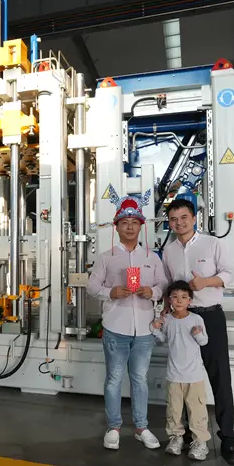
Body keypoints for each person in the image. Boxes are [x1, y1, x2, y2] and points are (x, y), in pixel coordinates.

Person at [161, 198, 234, 465]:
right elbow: (168, 285)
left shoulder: (212, 243)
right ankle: (186, 434)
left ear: (194, 218)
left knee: (220, 377)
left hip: (209, 317)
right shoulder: (169, 251)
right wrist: (165, 309)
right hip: (181, 320)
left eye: (184, 217)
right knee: (184, 379)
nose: (179, 223)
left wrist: (205, 282)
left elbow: (229, 274)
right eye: (173, 219)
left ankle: (227, 437)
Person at [87, 193, 168, 451]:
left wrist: (152, 292)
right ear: (117, 227)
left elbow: (163, 285)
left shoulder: (152, 257)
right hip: (115, 327)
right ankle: (113, 427)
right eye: (125, 223)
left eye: (134, 222)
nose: (130, 227)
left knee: (140, 379)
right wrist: (110, 292)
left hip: (144, 328)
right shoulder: (106, 257)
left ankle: (141, 427)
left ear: (141, 226)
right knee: (113, 378)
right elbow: (92, 287)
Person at [151, 280, 210, 461]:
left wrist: (198, 334)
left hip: (194, 376)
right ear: (169, 300)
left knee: (197, 410)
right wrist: (155, 329)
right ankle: (176, 438)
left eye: (184, 297)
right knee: (173, 410)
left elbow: (204, 341)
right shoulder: (167, 319)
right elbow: (163, 339)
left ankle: (200, 442)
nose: (179, 300)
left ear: (190, 300)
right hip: (174, 375)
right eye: (175, 297)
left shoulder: (196, 319)